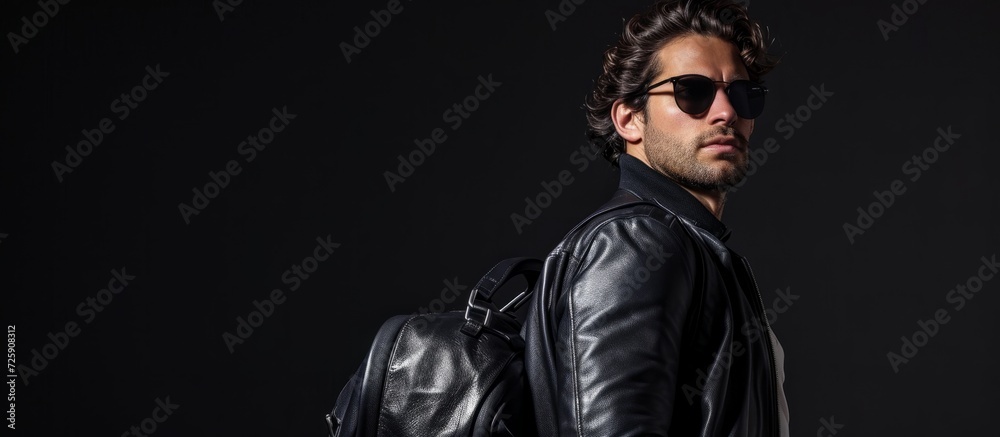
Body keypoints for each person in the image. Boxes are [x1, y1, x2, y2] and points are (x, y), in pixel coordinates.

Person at [522, 0, 788, 435]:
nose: (726, 113)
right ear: (630, 119)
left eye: (741, 94)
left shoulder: (694, 249)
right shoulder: (638, 241)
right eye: (693, 92)